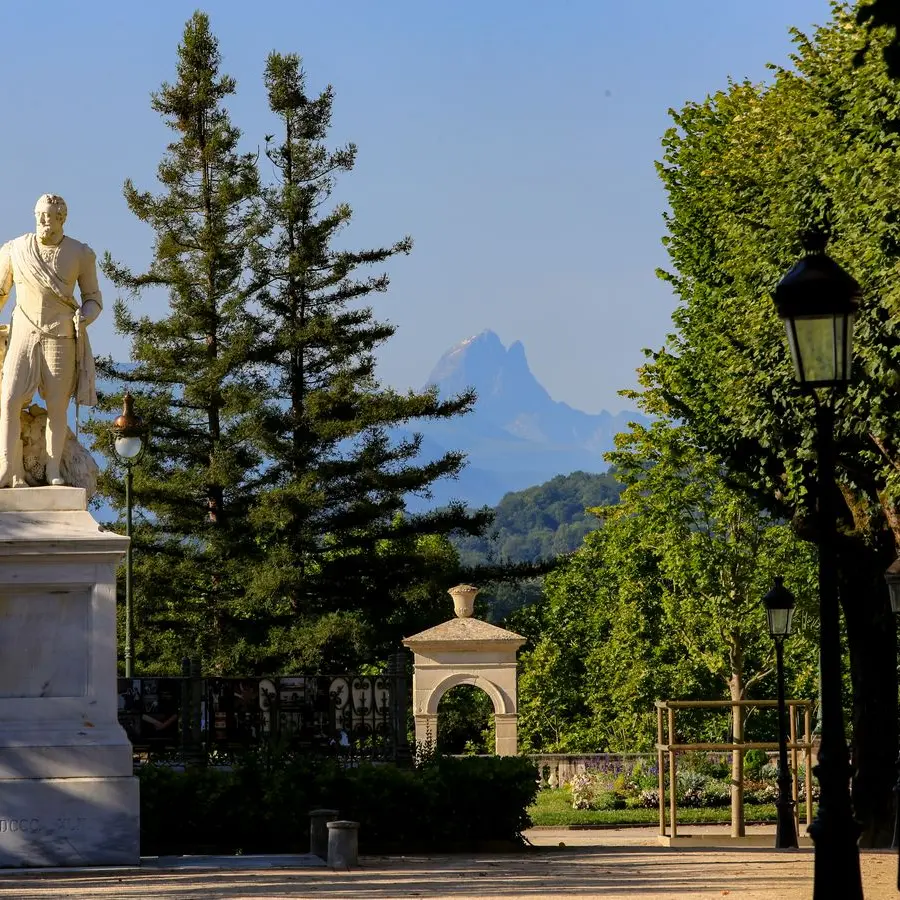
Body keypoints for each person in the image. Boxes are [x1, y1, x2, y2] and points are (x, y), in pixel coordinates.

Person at [0, 194, 102, 487]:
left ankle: (54, 469)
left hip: (61, 337)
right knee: (8, 401)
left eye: (51, 216)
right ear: (35, 216)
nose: (45, 221)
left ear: (62, 218)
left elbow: (93, 299)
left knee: (58, 408)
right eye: (41, 215)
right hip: (23, 335)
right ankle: (9, 468)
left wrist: (85, 316)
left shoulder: (80, 254)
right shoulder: (15, 250)